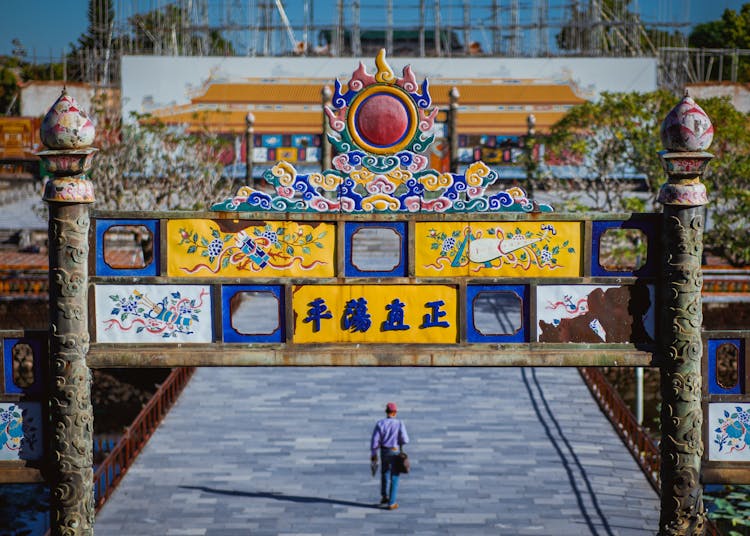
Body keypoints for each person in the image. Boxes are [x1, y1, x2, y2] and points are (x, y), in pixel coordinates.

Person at [370, 402, 409, 510]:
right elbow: (405, 439)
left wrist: (374, 454)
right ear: (395, 412)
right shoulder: (399, 423)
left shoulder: (380, 423)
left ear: (386, 412)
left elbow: (375, 441)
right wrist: (399, 441)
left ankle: (384, 496)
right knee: (394, 476)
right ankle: (392, 503)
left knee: (384, 472)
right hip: (395, 451)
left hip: (384, 451)